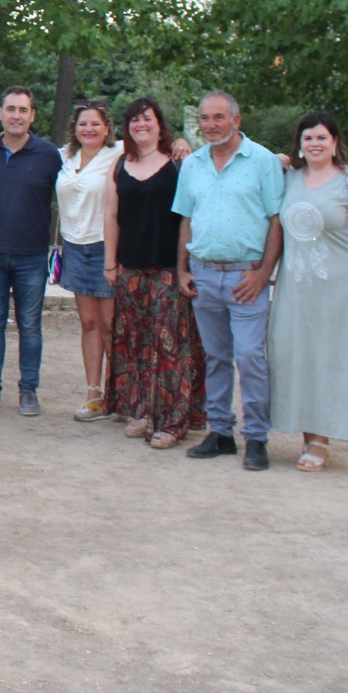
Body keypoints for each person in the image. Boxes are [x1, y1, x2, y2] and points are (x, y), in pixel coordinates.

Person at [173, 90, 284, 471]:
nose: (210, 125)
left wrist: (263, 274)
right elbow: (186, 218)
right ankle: (220, 432)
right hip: (204, 274)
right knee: (216, 357)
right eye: (205, 118)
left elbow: (275, 221)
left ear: (236, 120)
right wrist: (182, 269)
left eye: (218, 118)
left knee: (251, 357)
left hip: (246, 277)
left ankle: (256, 437)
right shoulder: (193, 165)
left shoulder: (263, 162)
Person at [266, 112, 348, 472]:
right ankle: (307, 434)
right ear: (299, 143)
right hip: (294, 290)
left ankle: (320, 439)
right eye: (308, 138)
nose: (314, 144)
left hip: (338, 289)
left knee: (331, 363)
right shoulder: (290, 178)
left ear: (335, 143)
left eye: (322, 138)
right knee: (296, 358)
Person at [101, 98, 205, 449]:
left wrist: (185, 267)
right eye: (134, 120)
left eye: (147, 119)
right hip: (130, 268)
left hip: (167, 269)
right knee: (134, 344)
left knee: (169, 346)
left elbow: (191, 216)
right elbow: (111, 217)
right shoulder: (119, 163)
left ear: (160, 123)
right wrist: (110, 263)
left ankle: (173, 421)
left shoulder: (180, 163)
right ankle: (142, 410)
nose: (140, 125)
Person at [0, 86, 62, 418]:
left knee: (30, 325)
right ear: (0, 113)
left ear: (33, 115)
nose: (16, 116)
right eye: (10, 109)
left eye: (23, 110)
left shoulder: (49, 154)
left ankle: (28, 390)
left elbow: (79, 177)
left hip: (32, 255)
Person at [56, 101, 122, 422]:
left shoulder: (119, 153)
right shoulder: (64, 156)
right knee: (89, 323)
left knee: (112, 325)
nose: (89, 129)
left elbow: (161, 145)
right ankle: (94, 393)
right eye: (83, 124)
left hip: (105, 247)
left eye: (96, 124)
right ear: (75, 128)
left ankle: (120, 394)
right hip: (74, 247)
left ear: (107, 128)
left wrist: (182, 143)